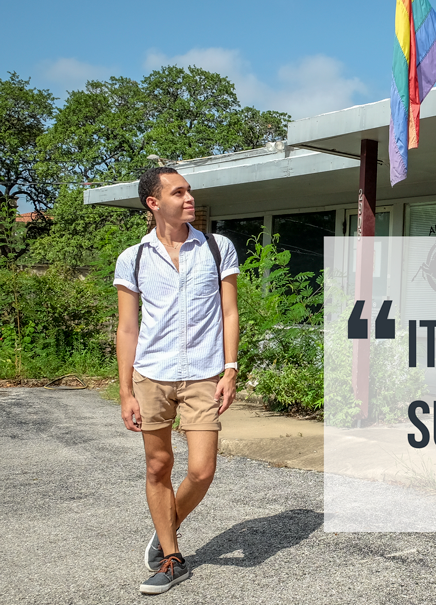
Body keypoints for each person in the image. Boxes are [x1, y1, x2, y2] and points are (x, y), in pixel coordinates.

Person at [114, 166, 240, 595]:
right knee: (158, 465)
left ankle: (166, 522)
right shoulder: (132, 258)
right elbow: (127, 328)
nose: (189, 199)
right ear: (154, 203)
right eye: (178, 192)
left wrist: (230, 368)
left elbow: (229, 313)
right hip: (152, 375)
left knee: (202, 470)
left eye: (189, 191)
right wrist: (126, 390)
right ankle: (172, 557)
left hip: (204, 373)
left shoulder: (218, 249)